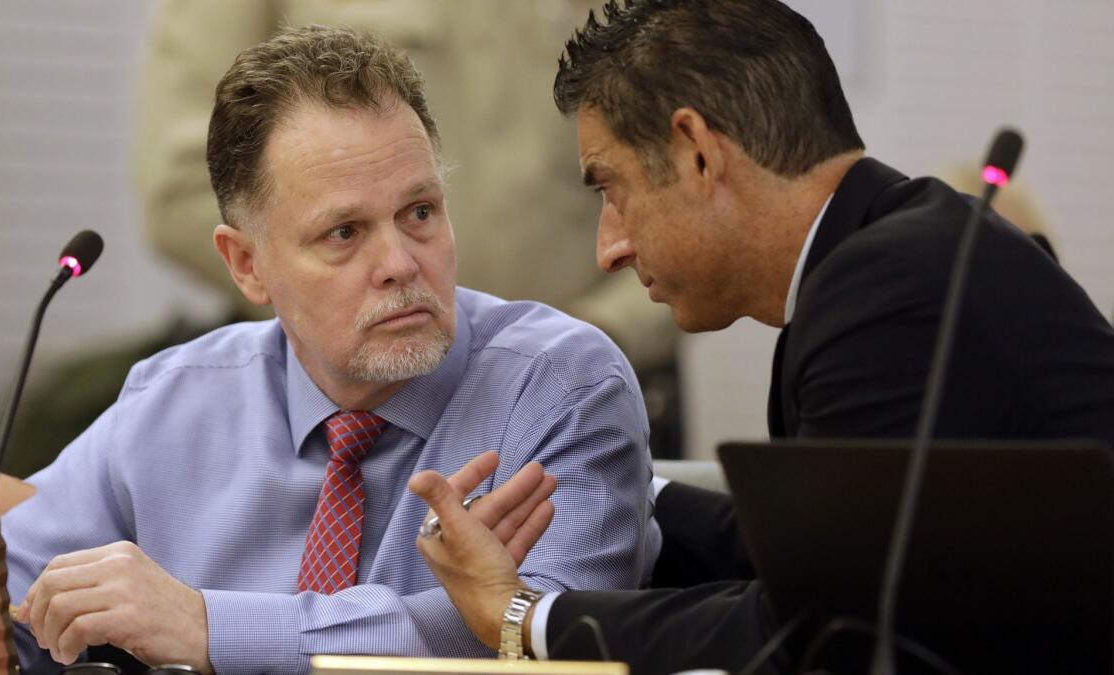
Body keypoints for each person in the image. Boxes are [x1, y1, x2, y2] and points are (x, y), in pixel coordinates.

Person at [408, 1, 1114, 673]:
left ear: (698, 153)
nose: (610, 249)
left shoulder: (892, 289)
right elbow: (810, 559)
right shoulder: (880, 264)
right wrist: (592, 474)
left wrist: (519, 615)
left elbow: (817, 631)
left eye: (610, 189)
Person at [2, 25, 658, 674]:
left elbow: (546, 632)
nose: (401, 263)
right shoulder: (171, 403)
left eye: (421, 212)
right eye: (345, 232)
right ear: (247, 264)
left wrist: (208, 625)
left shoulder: (559, 386)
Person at [135, 0, 686, 459]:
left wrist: (603, 333)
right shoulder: (156, 413)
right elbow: (182, 189)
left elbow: (694, 169)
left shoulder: (586, 366)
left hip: (602, 380)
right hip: (361, 404)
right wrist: (355, 344)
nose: (399, 261)